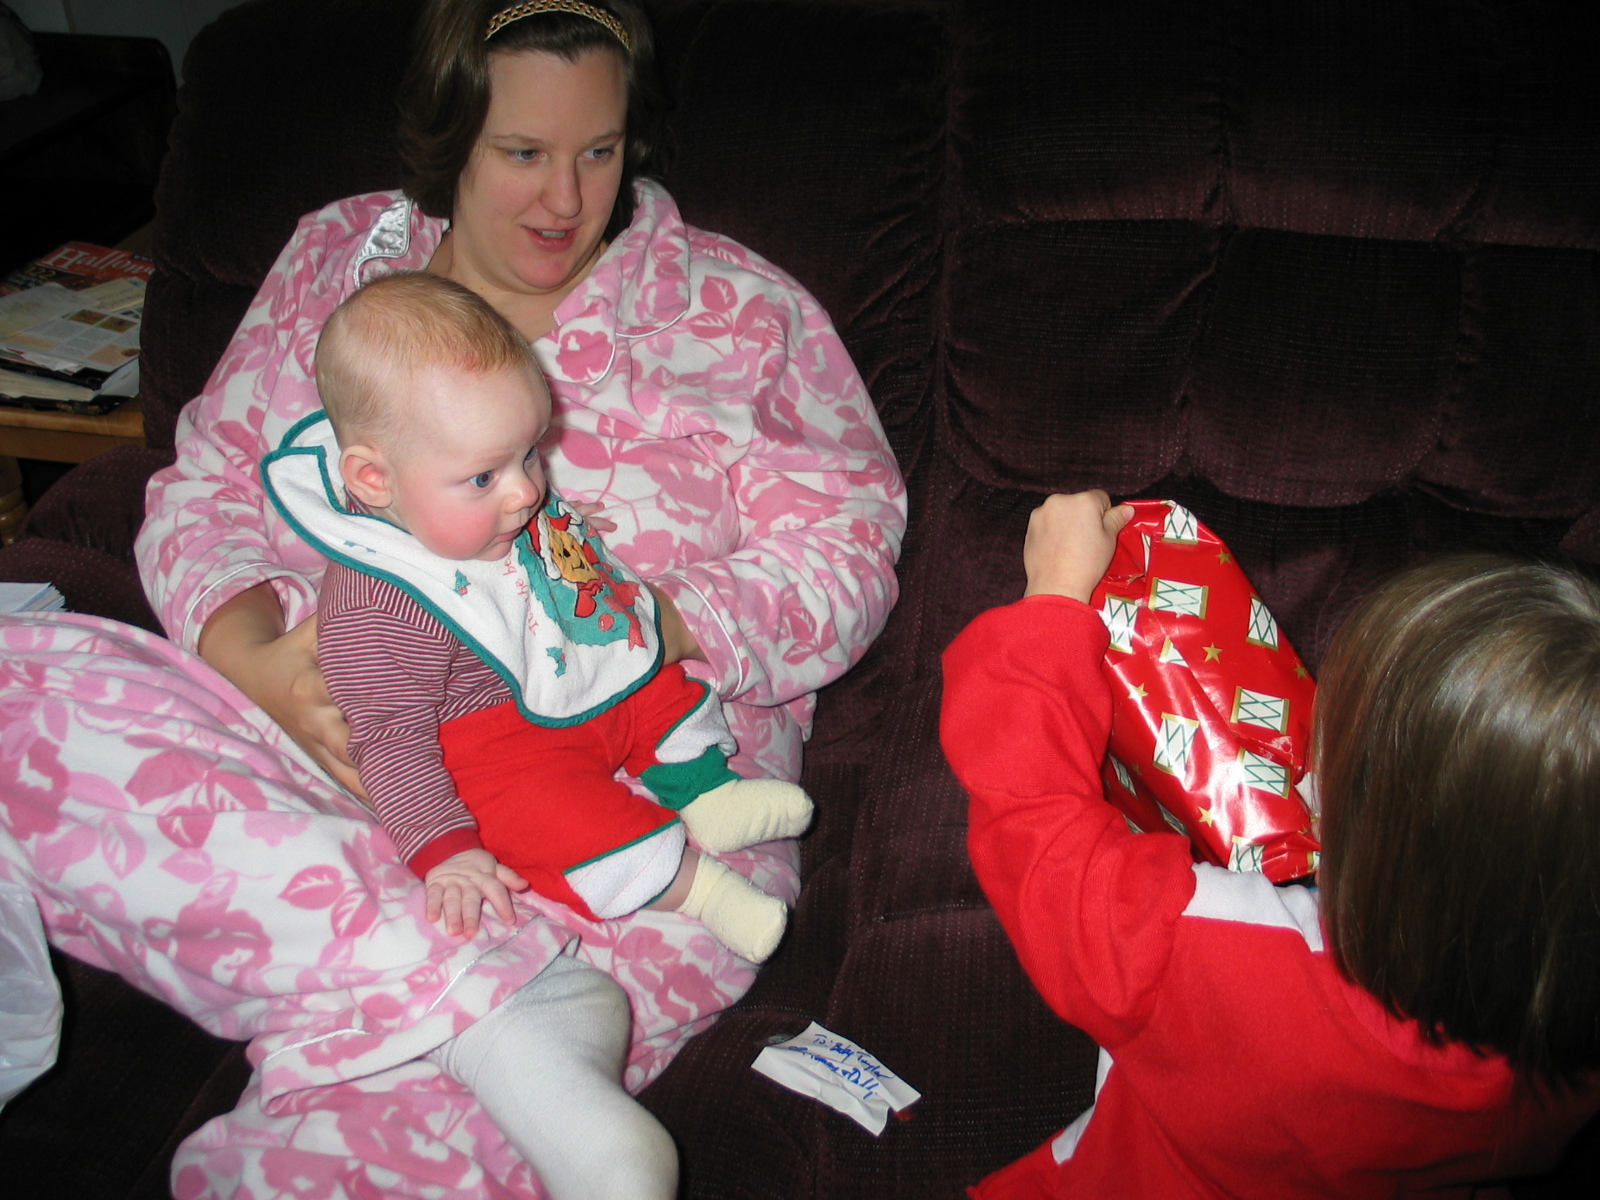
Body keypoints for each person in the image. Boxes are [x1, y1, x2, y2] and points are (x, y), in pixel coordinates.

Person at [0, 0, 904, 1195]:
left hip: (609, 807)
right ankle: (500, 1012)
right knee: (16, 685)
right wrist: (251, 659)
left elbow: (851, 545)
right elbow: (208, 482)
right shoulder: (339, 261)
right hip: (303, 767)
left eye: (599, 150)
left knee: (338, 1168)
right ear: (448, 139)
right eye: (522, 152)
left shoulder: (735, 315)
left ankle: (445, 1021)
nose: (565, 200)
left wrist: (645, 625)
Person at [940, 490, 1600, 1199]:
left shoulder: (1209, 955)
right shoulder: (1568, 1065)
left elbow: (1037, 832)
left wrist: (1053, 598)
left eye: (1342, 756)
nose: (1312, 763)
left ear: (1404, 855)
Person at [272, 271, 812, 963]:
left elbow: (539, 536)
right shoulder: (377, 604)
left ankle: (707, 791)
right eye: (485, 477)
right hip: (496, 746)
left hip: (568, 661)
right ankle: (699, 888)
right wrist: (444, 849)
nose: (526, 490)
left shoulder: (482, 496)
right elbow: (389, 737)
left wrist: (565, 532)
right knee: (543, 818)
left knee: (648, 666)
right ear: (374, 479)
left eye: (529, 454)